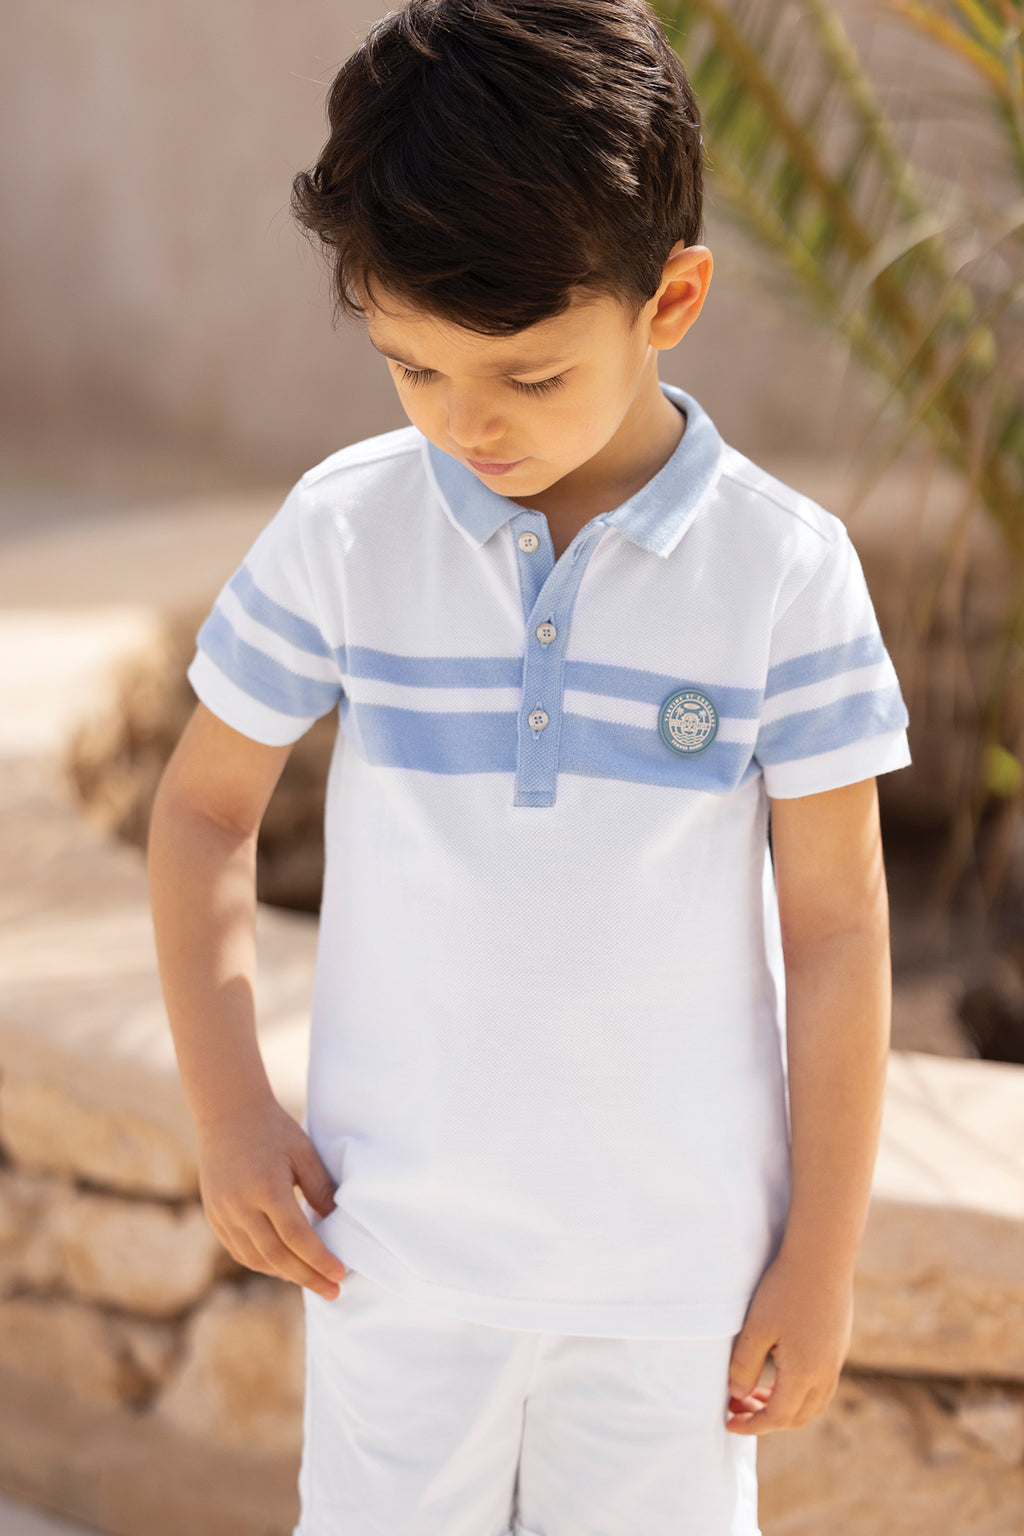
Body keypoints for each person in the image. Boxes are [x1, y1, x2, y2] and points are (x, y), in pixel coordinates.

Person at [147, 2, 911, 1532]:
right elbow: (205, 809)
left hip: (673, 1293)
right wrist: (231, 1111)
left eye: (529, 376)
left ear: (670, 298)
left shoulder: (785, 572)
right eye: (412, 369)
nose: (465, 426)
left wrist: (820, 1259)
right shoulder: (346, 530)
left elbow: (837, 930)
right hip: (392, 1266)